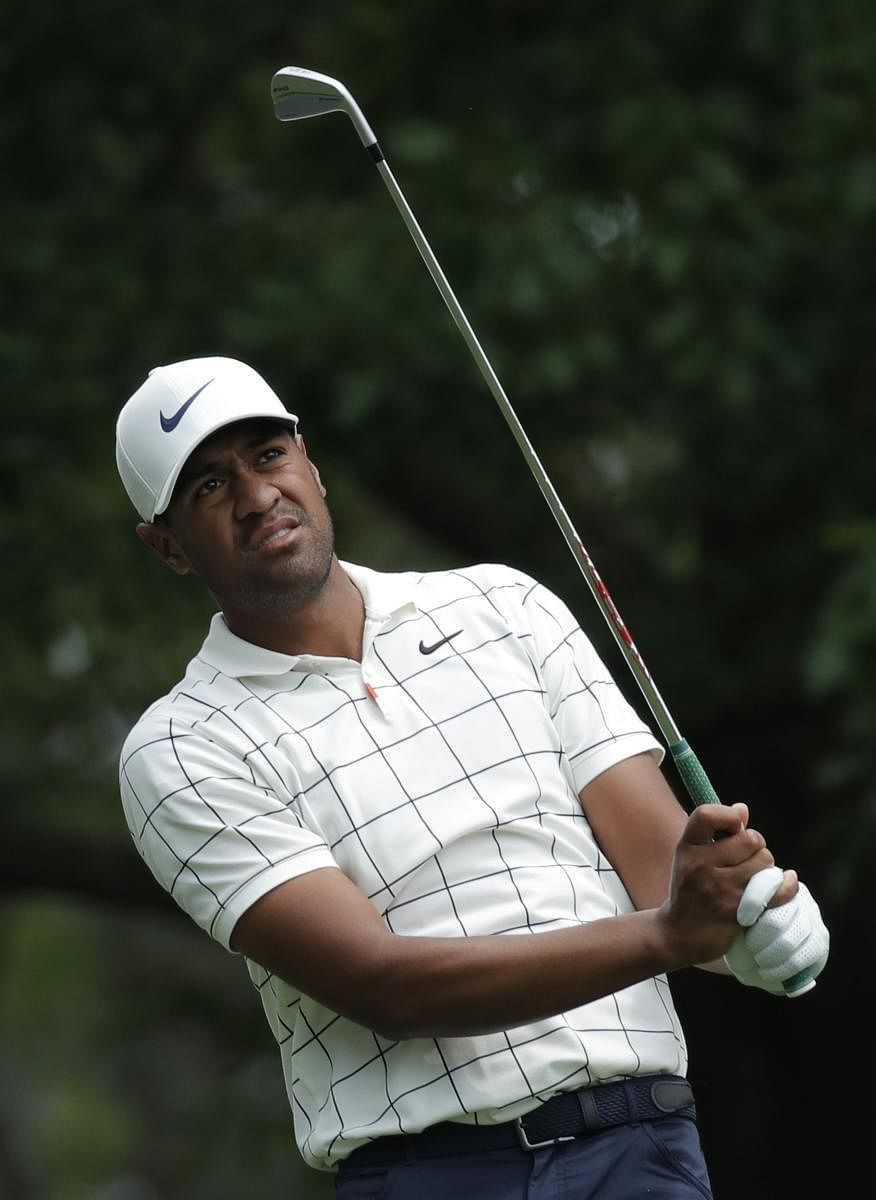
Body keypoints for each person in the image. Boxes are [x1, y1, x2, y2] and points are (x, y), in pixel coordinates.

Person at [115, 355, 829, 1199]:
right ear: (166, 547)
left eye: (268, 455)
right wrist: (674, 936)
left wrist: (751, 922)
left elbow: (663, 874)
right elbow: (386, 986)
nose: (257, 495)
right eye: (207, 486)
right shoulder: (182, 747)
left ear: (310, 462)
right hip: (433, 1175)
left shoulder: (505, 607)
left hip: (640, 1147)